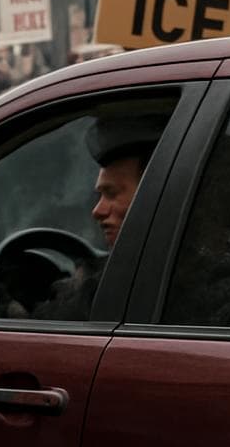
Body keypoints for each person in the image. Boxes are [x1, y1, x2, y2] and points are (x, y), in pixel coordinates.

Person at [30, 115, 164, 321]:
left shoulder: (127, 283)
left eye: (111, 193)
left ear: (153, 193)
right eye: (100, 195)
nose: (97, 211)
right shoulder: (166, 264)